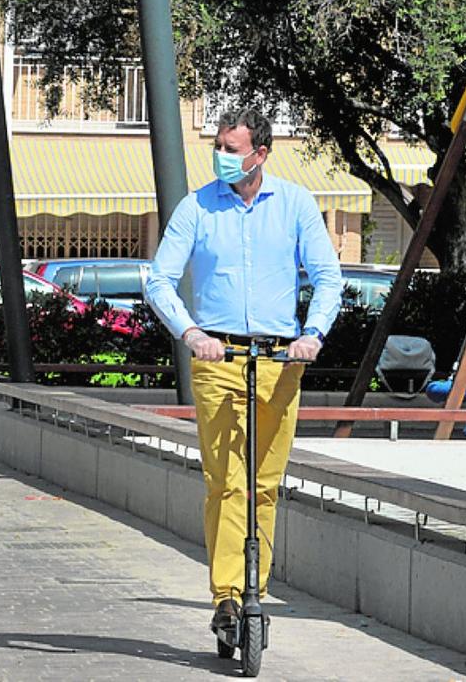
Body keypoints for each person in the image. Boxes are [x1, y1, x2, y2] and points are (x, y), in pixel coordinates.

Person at [144, 107, 343, 633]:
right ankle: (228, 595)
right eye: (218, 145)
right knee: (226, 481)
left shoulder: (296, 204)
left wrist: (312, 334)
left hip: (281, 359)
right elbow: (159, 279)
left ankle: (255, 586)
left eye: (231, 149)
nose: (221, 156)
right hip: (219, 357)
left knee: (266, 483)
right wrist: (192, 333)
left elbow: (328, 277)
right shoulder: (197, 207)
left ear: (261, 153)